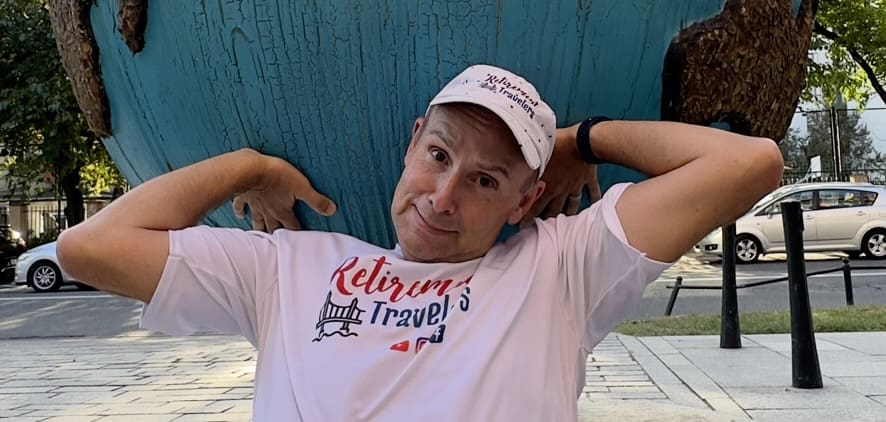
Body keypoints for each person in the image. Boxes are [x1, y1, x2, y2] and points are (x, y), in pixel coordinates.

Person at [58, 64, 783, 420]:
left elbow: (749, 163)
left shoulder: (560, 267)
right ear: (413, 144)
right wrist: (250, 168)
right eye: (439, 156)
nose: (443, 198)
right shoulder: (290, 269)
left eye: (486, 181)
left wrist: (581, 142)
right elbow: (88, 247)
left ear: (524, 201)